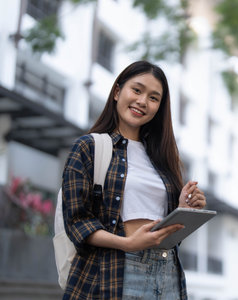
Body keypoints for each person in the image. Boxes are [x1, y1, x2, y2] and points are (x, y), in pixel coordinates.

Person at [61, 61, 206, 300]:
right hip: (113, 270)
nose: (142, 101)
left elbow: (166, 229)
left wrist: (183, 209)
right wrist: (127, 244)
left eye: (153, 98)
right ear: (117, 92)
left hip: (166, 270)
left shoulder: (163, 158)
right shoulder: (88, 147)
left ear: (159, 107)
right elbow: (77, 222)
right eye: (136, 90)